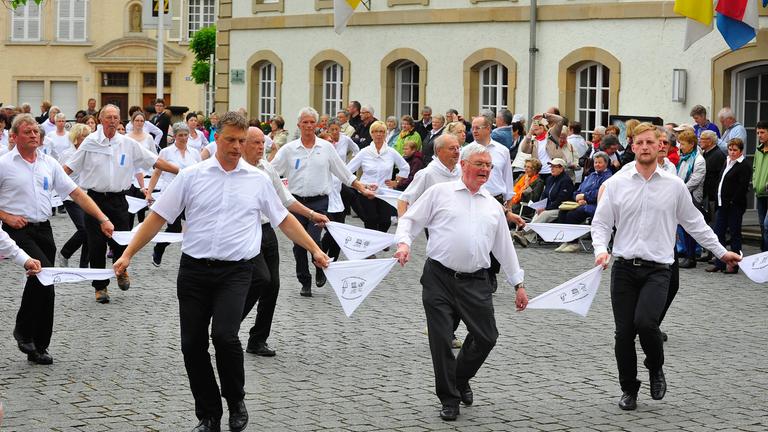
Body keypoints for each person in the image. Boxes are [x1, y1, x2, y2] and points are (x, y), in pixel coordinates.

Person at [113, 111, 331, 432]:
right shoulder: (192, 176)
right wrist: (128, 254)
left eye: (242, 141)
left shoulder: (257, 180)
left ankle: (235, 399)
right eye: (230, 139)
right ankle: (209, 415)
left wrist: (314, 249)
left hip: (236, 272)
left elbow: (283, 219)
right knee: (192, 344)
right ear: (217, 137)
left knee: (225, 336)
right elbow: (158, 216)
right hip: (194, 272)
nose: (236, 146)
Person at [592, 122, 740, 412]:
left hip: (658, 269)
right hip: (623, 267)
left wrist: (722, 253)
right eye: (640, 143)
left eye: (651, 142)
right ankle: (629, 389)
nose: (645, 147)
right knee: (623, 333)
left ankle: (655, 367)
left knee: (647, 323)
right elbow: (600, 223)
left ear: (660, 146)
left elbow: (695, 223)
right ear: (632, 146)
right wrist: (600, 250)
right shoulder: (617, 184)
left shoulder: (673, 186)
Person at [394, 143, 528, 421]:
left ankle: (459, 377)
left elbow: (505, 248)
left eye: (489, 166)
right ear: (464, 165)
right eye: (479, 164)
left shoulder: (492, 205)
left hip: (476, 281)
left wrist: (518, 284)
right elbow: (409, 220)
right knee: (441, 339)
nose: (485, 170)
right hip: (438, 278)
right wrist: (404, 244)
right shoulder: (439, 193)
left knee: (487, 337)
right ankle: (449, 398)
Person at [0, 114, 113, 365]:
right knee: (42, 279)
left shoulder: (48, 163)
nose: (33, 135)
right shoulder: (4, 164)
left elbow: (75, 192)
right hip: (19, 230)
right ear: (15, 136)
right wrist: (5, 216)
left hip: (44, 230)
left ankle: (39, 345)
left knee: (44, 285)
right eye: (27, 132)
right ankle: (24, 333)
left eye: (36, 132)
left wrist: (102, 217)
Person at [63, 105, 178, 303]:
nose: (113, 121)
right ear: (100, 120)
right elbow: (69, 168)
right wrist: (48, 183)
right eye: (109, 117)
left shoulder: (127, 143)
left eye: (116, 117)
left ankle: (121, 270)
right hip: (95, 200)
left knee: (122, 242)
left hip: (118, 200)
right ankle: (100, 288)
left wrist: (180, 171)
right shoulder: (90, 142)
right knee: (96, 246)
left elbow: (154, 161)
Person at [239, 126, 329, 357]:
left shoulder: (267, 168)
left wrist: (311, 214)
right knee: (261, 278)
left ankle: (258, 340)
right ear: (242, 144)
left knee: (273, 285)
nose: (261, 147)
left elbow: (286, 201)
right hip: (245, 232)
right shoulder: (236, 169)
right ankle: (228, 323)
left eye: (263, 143)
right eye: (256, 143)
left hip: (267, 231)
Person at [271, 107, 376, 297]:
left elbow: (343, 172)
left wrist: (361, 187)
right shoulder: (289, 149)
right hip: (295, 204)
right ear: (299, 125)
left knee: (313, 238)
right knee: (298, 245)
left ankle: (319, 265)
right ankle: (304, 280)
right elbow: (271, 172)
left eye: (312, 122)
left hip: (319, 202)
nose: (309, 126)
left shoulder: (326, 148)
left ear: (317, 125)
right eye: (305, 122)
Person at [145, 122, 202, 266]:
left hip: (190, 194)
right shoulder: (166, 152)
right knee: (175, 228)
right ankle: (159, 248)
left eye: (186, 135)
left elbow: (201, 173)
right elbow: (157, 172)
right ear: (175, 136)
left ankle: (193, 257)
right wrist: (149, 192)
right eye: (180, 135)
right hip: (172, 193)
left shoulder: (194, 153)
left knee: (194, 224)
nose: (183, 138)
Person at [346, 120, 410, 233]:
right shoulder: (364, 152)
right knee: (371, 219)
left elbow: (405, 167)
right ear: (371, 134)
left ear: (385, 134)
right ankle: (372, 246)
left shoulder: (391, 152)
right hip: (366, 192)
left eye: (381, 131)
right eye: (375, 131)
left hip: (384, 192)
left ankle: (381, 238)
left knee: (385, 221)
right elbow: (347, 170)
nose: (379, 134)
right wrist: (358, 184)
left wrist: (396, 181)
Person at [706, 138, 751, 274]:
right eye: (730, 149)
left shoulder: (744, 165)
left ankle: (734, 264)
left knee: (734, 234)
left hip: (734, 206)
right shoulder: (727, 161)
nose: (732, 152)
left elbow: (742, 187)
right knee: (718, 233)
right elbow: (721, 180)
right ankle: (720, 262)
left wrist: (732, 202)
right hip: (722, 204)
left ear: (740, 151)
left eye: (735, 150)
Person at [555, 151, 613, 253]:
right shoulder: (591, 175)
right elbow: (578, 190)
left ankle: (574, 243)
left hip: (597, 205)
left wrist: (585, 197)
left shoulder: (608, 177)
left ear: (606, 163)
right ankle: (566, 239)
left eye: (600, 162)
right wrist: (578, 198)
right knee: (562, 212)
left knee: (572, 215)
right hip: (582, 203)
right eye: (595, 162)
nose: (597, 165)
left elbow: (601, 193)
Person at [320, 119, 360, 266]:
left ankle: (333, 262)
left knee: (340, 230)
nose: (335, 133)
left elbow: (357, 150)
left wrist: (349, 168)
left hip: (341, 186)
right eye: (332, 130)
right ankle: (320, 255)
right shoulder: (321, 153)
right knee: (331, 230)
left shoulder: (345, 140)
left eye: (337, 129)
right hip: (324, 198)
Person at [513, 158, 574, 247]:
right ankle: (526, 239)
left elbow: (561, 199)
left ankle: (523, 232)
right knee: (538, 213)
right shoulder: (550, 179)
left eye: (555, 167)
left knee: (544, 214)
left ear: (561, 168)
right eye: (551, 166)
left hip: (561, 208)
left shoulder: (566, 181)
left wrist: (545, 208)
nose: (552, 168)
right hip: (548, 207)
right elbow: (544, 195)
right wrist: (540, 206)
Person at [57, 123, 93, 268]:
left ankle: (84, 266)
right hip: (71, 196)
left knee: (90, 231)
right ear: (76, 137)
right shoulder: (67, 154)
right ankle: (65, 253)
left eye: (88, 136)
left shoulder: (90, 153)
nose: (87, 138)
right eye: (84, 136)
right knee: (83, 229)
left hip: (88, 195)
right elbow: (59, 175)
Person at [674, 130, 706, 268]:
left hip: (692, 197)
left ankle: (691, 257)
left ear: (692, 144)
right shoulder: (683, 157)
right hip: (682, 196)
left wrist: (681, 190)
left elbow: (695, 180)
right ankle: (687, 254)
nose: (680, 146)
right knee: (683, 227)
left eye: (682, 144)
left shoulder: (699, 160)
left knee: (690, 228)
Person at [519, 113, 565, 180]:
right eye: (535, 124)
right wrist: (530, 132)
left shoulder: (552, 134)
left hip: (553, 172)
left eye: (540, 124)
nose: (538, 126)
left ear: (544, 126)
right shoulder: (533, 140)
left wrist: (544, 116)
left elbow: (560, 120)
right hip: (538, 173)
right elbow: (524, 150)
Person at [752, 121, 768, 252]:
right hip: (760, 193)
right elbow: (755, 167)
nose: (759, 135)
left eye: (762, 132)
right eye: (758, 133)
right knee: (763, 226)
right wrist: (755, 182)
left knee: (767, 226)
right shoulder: (759, 149)